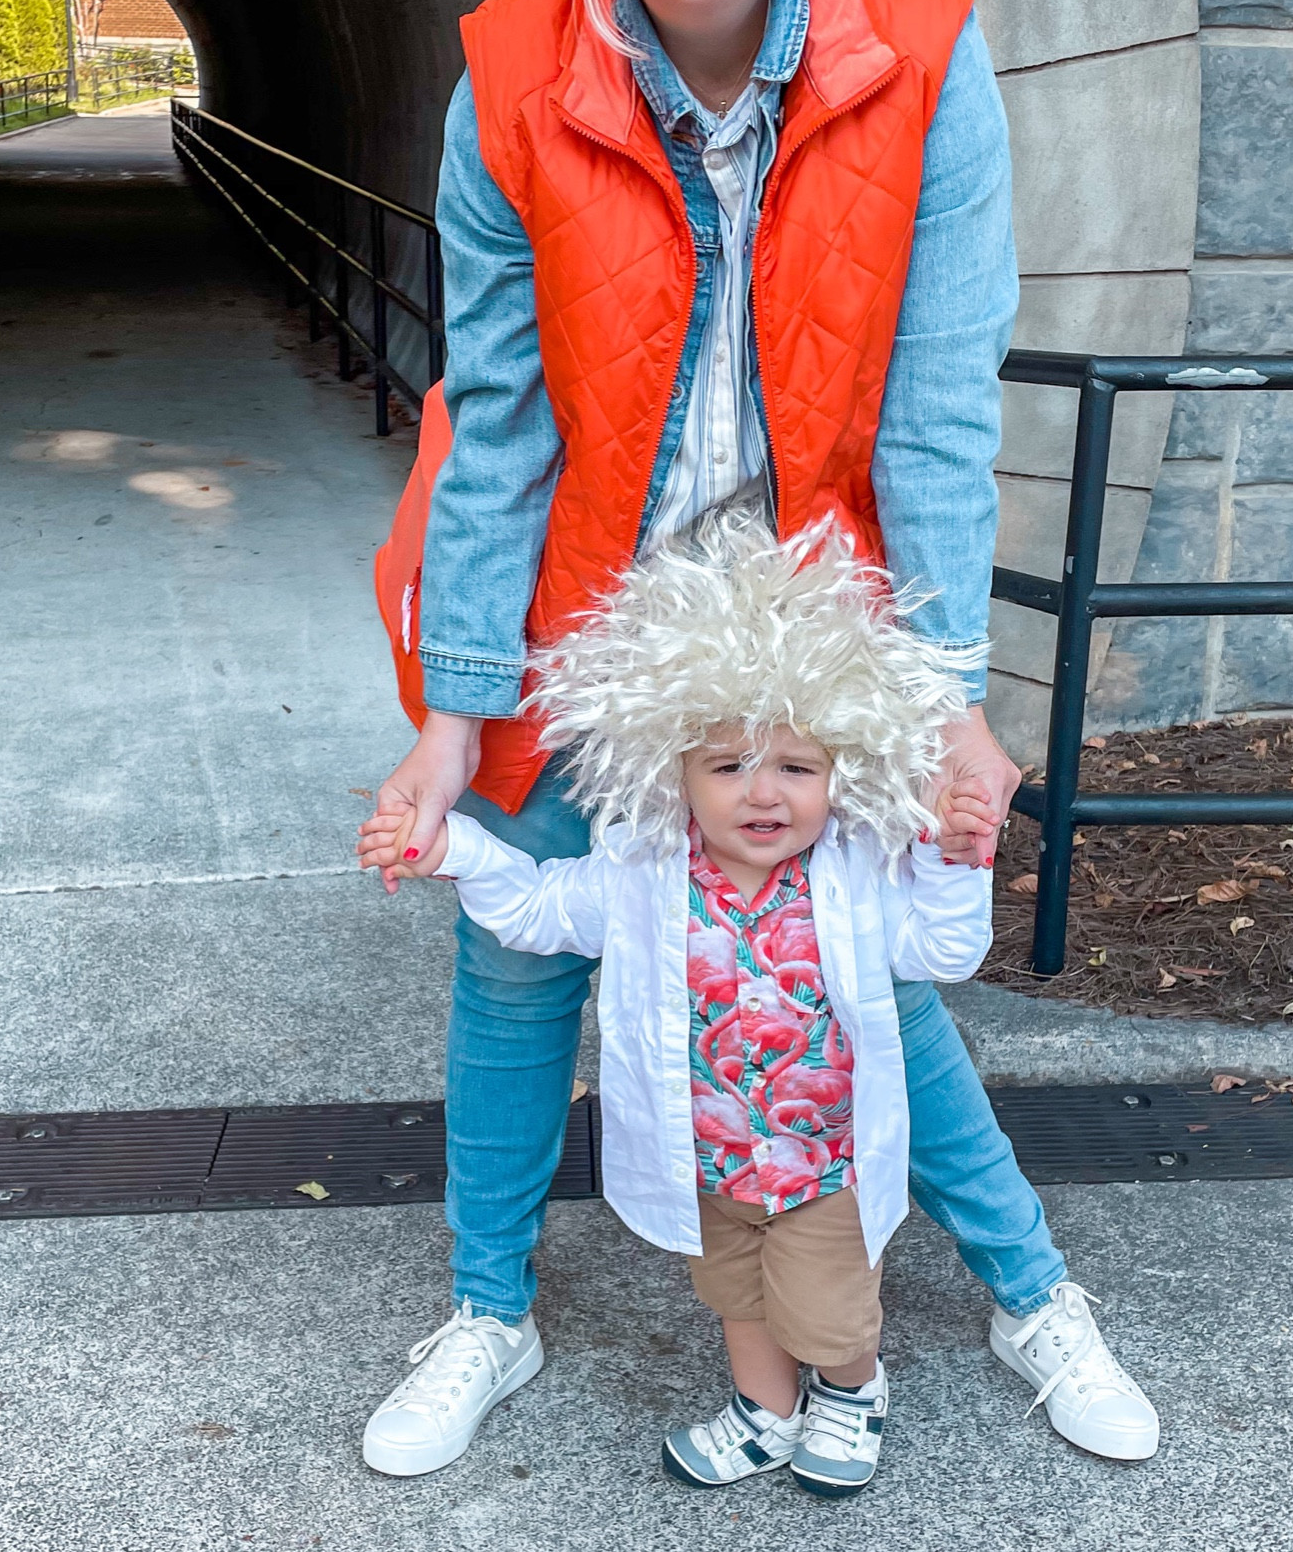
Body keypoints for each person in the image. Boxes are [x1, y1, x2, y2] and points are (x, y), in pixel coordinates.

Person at [360, 0, 1159, 1477]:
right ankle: (487, 1310)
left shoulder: (925, 51)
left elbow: (937, 413)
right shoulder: (508, 81)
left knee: (868, 983)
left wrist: (945, 698)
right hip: (586, 627)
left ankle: (1033, 1292)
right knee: (514, 972)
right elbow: (498, 425)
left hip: (814, 639)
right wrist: (457, 714)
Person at [361, 509, 1000, 1496]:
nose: (764, 793)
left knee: (828, 1309)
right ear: (676, 771)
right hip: (709, 1163)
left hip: (824, 1166)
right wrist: (456, 851)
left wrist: (952, 860)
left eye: (796, 767)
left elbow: (947, 950)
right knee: (737, 1297)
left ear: (842, 769)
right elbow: (534, 909)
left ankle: (852, 1391)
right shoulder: (642, 872)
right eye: (728, 765)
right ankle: (765, 1412)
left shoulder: (855, 877)